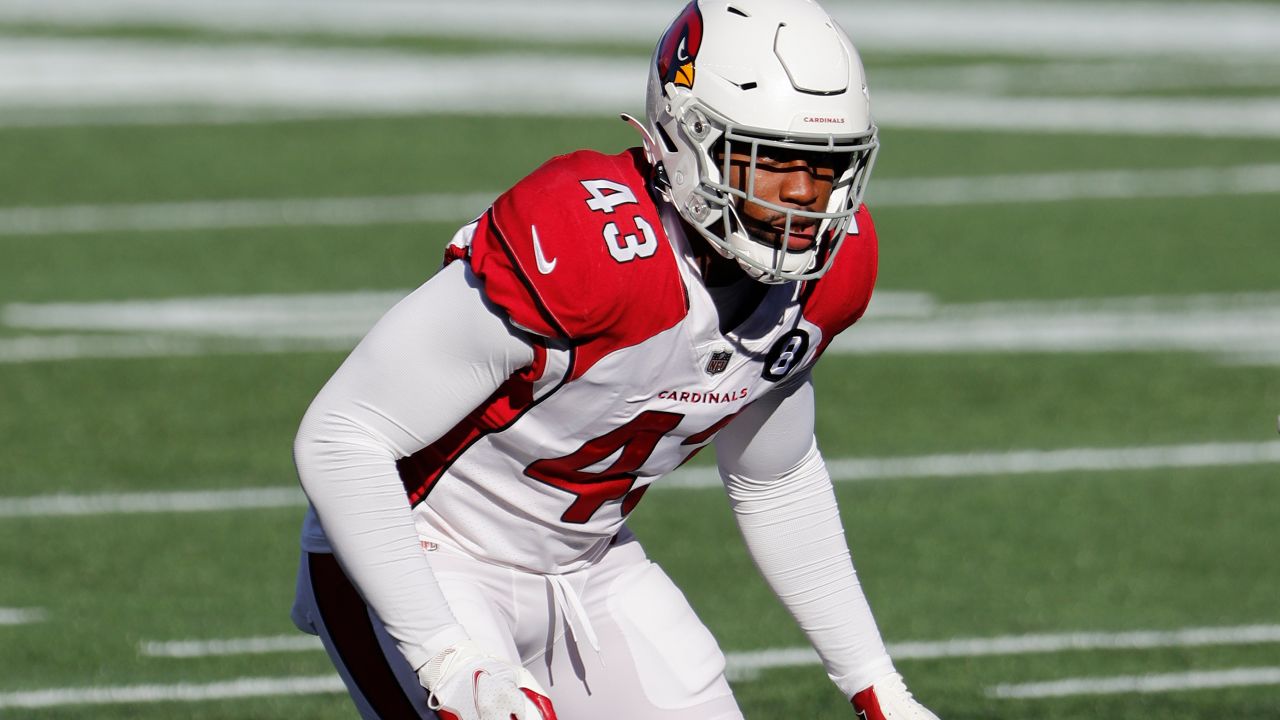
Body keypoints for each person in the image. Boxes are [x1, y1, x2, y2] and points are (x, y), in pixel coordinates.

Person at [289, 1, 942, 718]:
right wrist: (446, 654)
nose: (802, 195)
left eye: (824, 166)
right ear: (687, 141)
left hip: (587, 565)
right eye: (771, 159)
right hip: (423, 551)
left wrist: (877, 684)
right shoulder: (594, 249)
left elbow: (775, 476)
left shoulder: (826, 275)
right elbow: (342, 437)